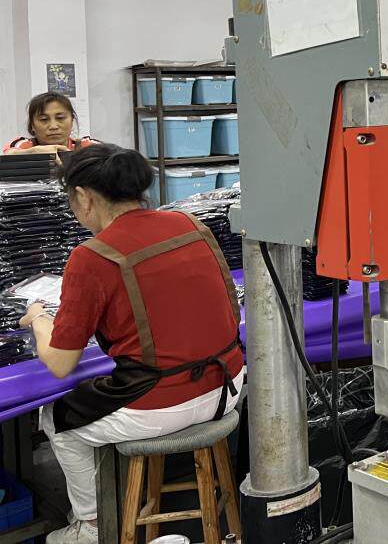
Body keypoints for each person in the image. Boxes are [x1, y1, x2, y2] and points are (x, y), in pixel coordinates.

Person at [19, 144, 244, 544]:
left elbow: (60, 363)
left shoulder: (92, 256)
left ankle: (91, 525)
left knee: (55, 418)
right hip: (228, 385)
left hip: (164, 403)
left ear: (83, 197)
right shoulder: (191, 224)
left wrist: (38, 319)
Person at [4, 92, 98, 155]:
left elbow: (107, 155)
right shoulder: (23, 144)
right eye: (44, 119)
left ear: (72, 120)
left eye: (60, 118)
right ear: (32, 125)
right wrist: (33, 152)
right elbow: (8, 155)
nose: (53, 126)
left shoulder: (87, 146)